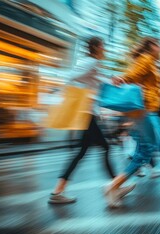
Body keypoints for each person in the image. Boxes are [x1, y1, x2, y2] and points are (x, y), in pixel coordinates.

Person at [104, 37, 160, 207]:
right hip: (143, 111)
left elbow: (146, 82)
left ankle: (117, 186)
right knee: (148, 149)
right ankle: (113, 186)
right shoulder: (147, 59)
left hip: (144, 110)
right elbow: (133, 75)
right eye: (159, 45)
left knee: (144, 149)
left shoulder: (151, 62)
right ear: (152, 46)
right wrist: (121, 79)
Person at [48, 37, 116, 204]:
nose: (104, 49)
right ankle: (116, 184)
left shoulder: (93, 64)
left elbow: (98, 79)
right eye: (103, 46)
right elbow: (72, 76)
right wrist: (82, 94)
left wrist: (112, 80)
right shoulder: (91, 62)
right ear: (96, 47)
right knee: (105, 147)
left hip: (88, 113)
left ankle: (58, 191)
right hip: (86, 114)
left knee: (81, 152)